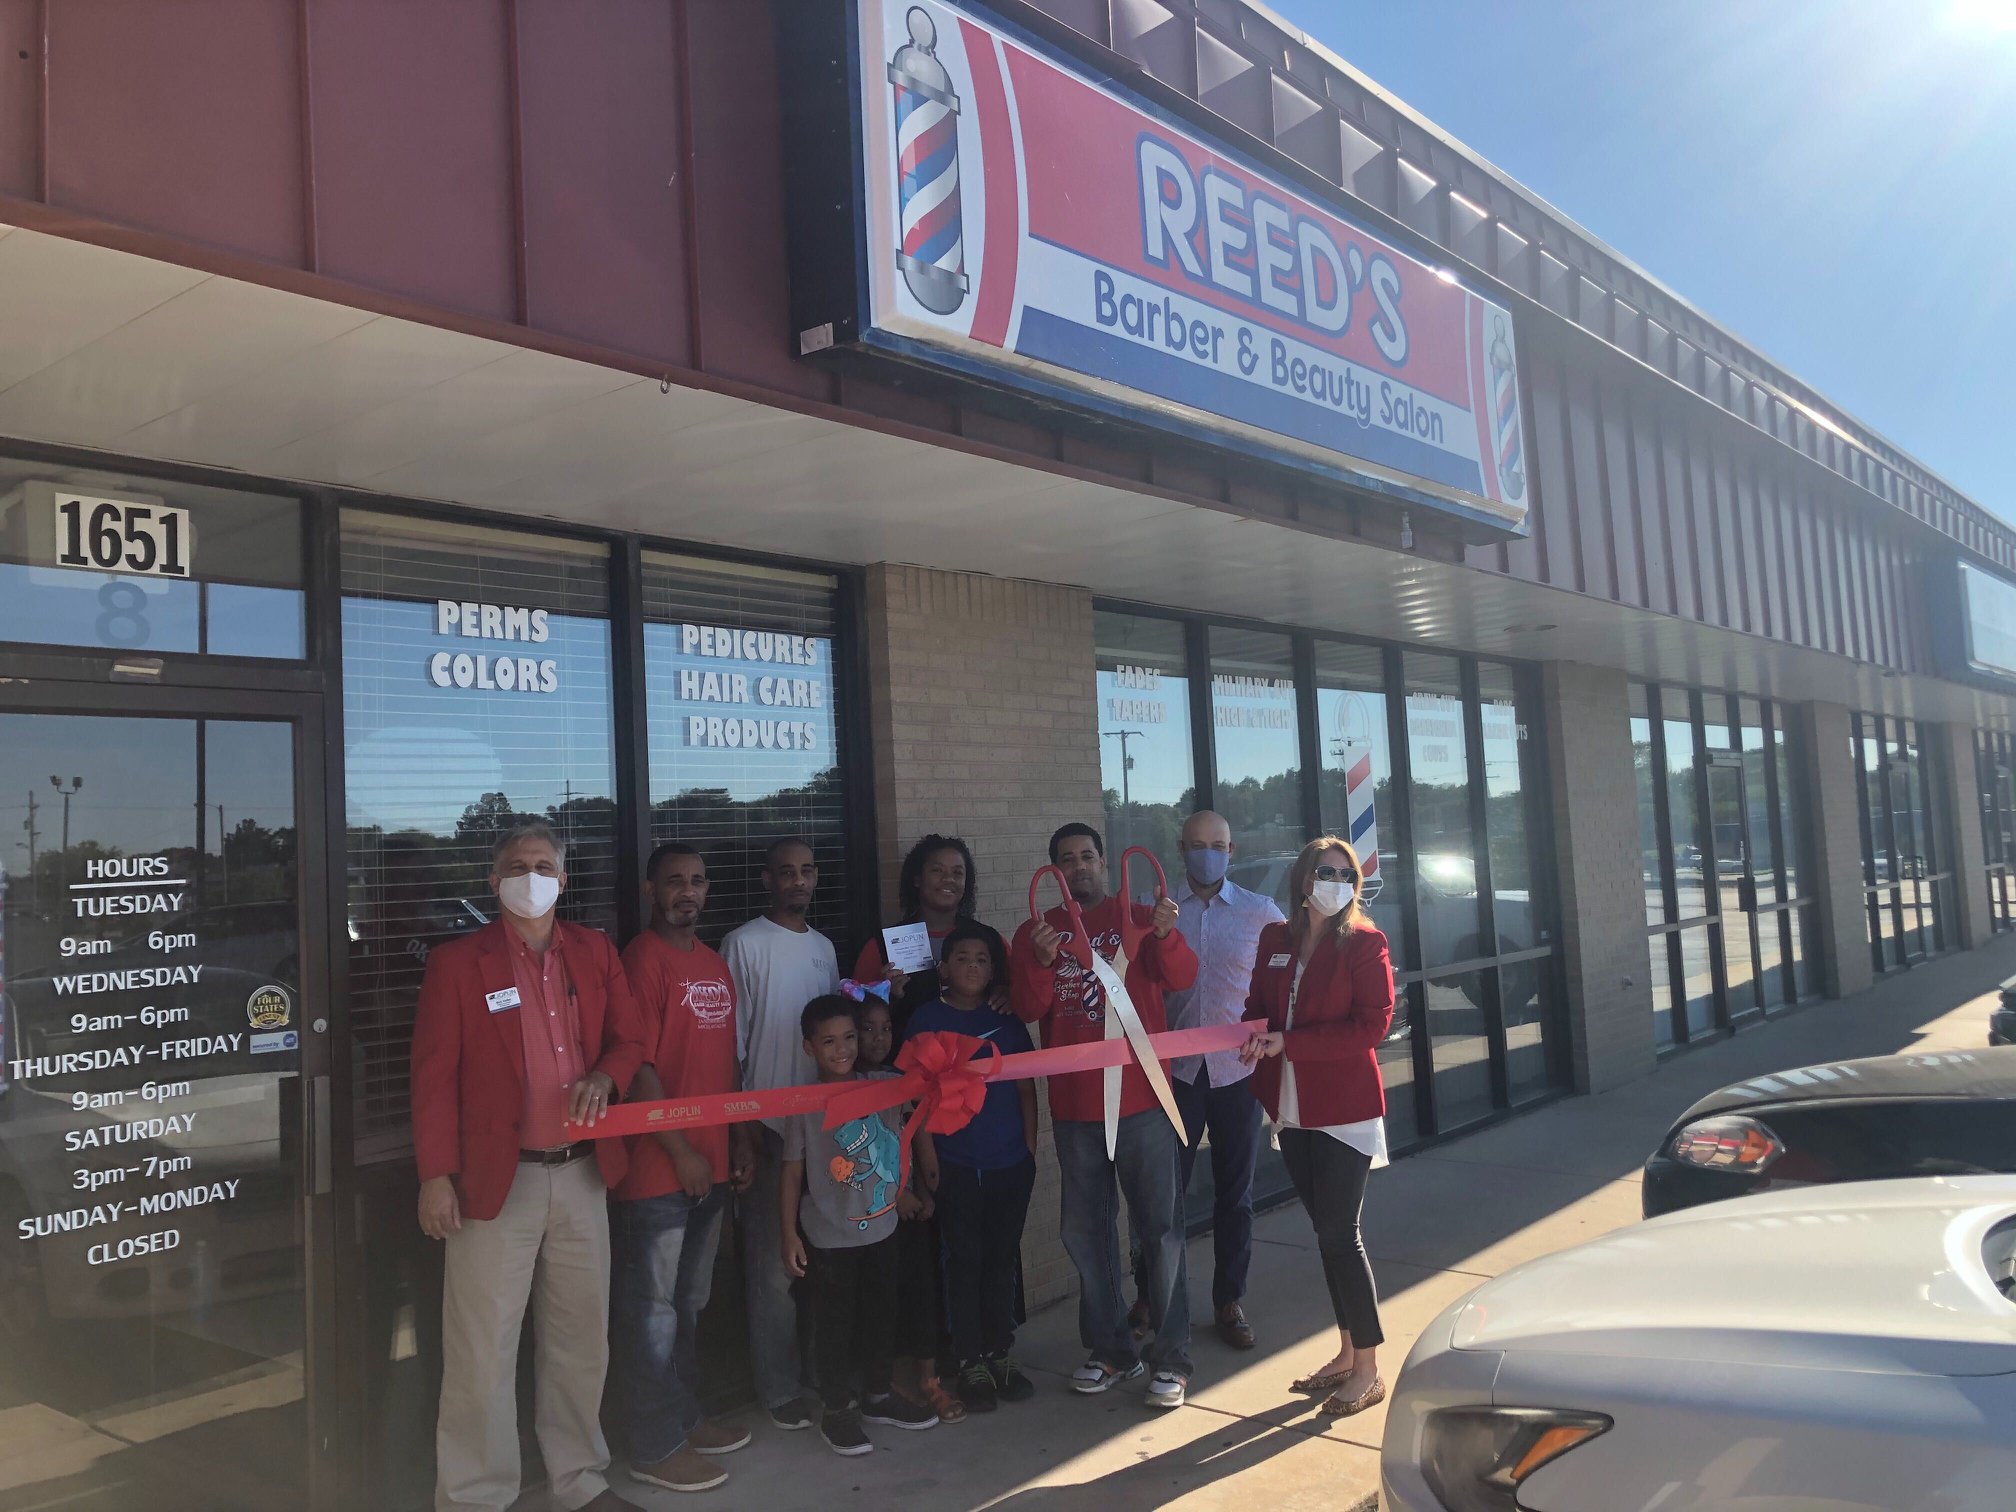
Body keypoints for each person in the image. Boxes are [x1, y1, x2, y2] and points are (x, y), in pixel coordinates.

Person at [410, 819, 646, 1512]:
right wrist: (434, 1174)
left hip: (580, 1175)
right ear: (494, 881)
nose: (531, 876)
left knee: (580, 1340)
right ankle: (476, 1497)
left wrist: (606, 1076)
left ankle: (579, 1482)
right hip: (495, 1183)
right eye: (518, 864)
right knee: (482, 1354)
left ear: (563, 879)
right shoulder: (459, 964)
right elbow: (431, 1078)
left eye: (544, 864)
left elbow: (629, 1039)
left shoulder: (596, 952)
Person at [1010, 822, 1198, 1408]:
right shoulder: (1036, 933)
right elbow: (1027, 1007)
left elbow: (1183, 978)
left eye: (1087, 856)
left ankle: (1171, 1357)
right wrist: (1041, 962)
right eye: (1066, 859)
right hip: (1075, 1110)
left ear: (1104, 860)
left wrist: (1165, 936)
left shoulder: (1143, 916)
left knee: (1159, 1230)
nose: (1079, 867)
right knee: (1087, 1234)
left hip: (1144, 1102)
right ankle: (1111, 1350)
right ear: (1054, 870)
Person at [610, 843, 758, 1494]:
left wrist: (738, 1144)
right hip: (660, 1171)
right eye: (674, 882)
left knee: (688, 1305)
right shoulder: (641, 961)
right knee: (652, 1312)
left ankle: (684, 1415)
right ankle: (652, 1442)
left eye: (697, 881)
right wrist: (679, 1150)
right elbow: (636, 1066)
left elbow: (726, 1064)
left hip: (714, 1163)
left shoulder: (714, 963)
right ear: (650, 891)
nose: (687, 892)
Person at [1239, 835, 1395, 1419]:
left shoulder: (1365, 942)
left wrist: (1290, 1042)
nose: (1337, 881)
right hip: (1290, 1105)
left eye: (1346, 873)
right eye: (1326, 871)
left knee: (1339, 1234)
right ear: (1304, 880)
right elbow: (1258, 1001)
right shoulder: (1274, 939)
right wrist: (1252, 1035)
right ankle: (1347, 1350)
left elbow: (1370, 1026)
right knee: (1326, 1234)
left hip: (1345, 1110)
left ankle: (1368, 1369)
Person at [780, 996, 940, 1455]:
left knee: (879, 1316)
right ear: (809, 1047)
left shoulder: (888, 1085)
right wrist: (788, 1233)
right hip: (828, 1238)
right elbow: (791, 1171)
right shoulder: (803, 1103)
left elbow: (932, 1093)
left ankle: (878, 1396)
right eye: (828, 1042)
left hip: (883, 1229)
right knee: (833, 1325)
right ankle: (836, 1409)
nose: (842, 1049)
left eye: (849, 1037)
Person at [720, 838, 839, 1431]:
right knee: (772, 1271)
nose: (797, 880)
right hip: (766, 1130)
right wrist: (741, 1129)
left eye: (806, 871)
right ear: (767, 880)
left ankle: (821, 1373)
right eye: (785, 872)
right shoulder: (742, 944)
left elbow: (831, 1037)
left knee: (818, 1256)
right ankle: (779, 1388)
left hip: (818, 1128)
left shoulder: (823, 948)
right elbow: (729, 1042)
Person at [1159, 810, 1283, 1351]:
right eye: (1196, 844)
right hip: (1175, 1077)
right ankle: (1157, 1298)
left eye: (1218, 845)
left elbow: (1288, 985)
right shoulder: (1157, 914)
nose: (1206, 853)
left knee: (1235, 1194)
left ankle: (1229, 1299)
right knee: (1164, 1198)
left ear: (1232, 851)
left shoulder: (1262, 914)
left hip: (1238, 1074)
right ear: (1180, 847)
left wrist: (1276, 1033)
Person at [908, 923, 1039, 1413]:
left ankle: (1000, 1352)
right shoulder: (925, 1019)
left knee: (1001, 1258)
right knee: (962, 1260)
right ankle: (969, 1361)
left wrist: (1029, 1148)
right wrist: (927, 1160)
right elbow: (915, 1099)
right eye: (962, 958)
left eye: (982, 960)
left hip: (1008, 1161)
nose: (972, 967)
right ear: (944, 968)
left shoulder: (1007, 1021)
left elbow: (1026, 1089)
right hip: (955, 1165)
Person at [852, 990, 963, 1423]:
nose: (878, 1038)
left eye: (885, 1029)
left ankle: (929, 1381)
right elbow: (862, 1154)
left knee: (921, 1291)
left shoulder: (902, 1078)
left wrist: (929, 1187)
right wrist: (898, 1197)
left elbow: (918, 1131)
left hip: (913, 1205)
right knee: (881, 1299)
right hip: (871, 1209)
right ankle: (885, 1383)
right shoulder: (848, 1086)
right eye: (867, 1029)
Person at [851, 833, 1008, 1039]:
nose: (949, 879)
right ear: (917, 879)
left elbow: (1024, 996)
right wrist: (884, 998)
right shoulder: (882, 945)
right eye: (937, 870)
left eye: (958, 872)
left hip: (982, 1060)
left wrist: (1010, 994)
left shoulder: (990, 940)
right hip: (908, 1063)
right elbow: (852, 1018)